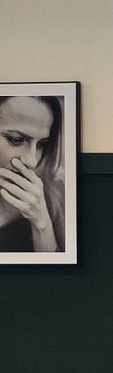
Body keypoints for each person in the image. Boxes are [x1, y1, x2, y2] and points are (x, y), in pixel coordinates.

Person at [0, 92, 64, 254]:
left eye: (41, 144)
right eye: (16, 140)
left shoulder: (56, 192)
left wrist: (41, 224)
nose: (32, 161)